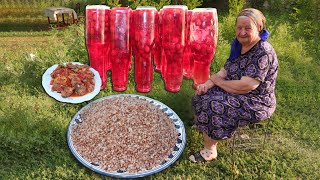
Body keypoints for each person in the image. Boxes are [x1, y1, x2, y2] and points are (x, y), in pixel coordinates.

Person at [189, 8, 278, 162]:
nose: (242, 32)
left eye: (248, 28)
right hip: (235, 90)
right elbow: (224, 71)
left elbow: (247, 85)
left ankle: (209, 151)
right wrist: (207, 84)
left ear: (259, 28)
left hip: (256, 101)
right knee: (201, 95)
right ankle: (204, 126)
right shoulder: (238, 45)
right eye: (239, 28)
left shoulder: (263, 52)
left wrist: (217, 82)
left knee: (213, 105)